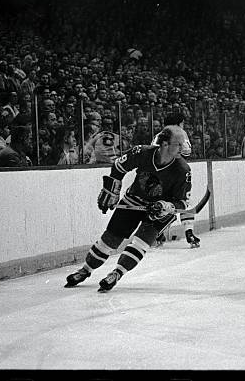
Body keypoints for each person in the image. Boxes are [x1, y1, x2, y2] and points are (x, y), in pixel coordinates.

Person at [64, 125, 192, 292]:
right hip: (134, 200)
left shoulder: (183, 170)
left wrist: (167, 206)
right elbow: (119, 167)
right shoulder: (142, 153)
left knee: (140, 243)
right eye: (179, 144)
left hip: (159, 211)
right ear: (165, 144)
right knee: (109, 240)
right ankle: (85, 270)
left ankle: (117, 273)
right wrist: (112, 190)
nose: (183, 148)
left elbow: (183, 203)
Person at [150, 113, 200, 248]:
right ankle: (189, 233)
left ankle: (158, 232)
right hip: (176, 172)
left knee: (162, 202)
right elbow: (187, 152)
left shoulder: (158, 135)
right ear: (178, 124)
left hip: (158, 173)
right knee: (184, 202)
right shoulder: (180, 133)